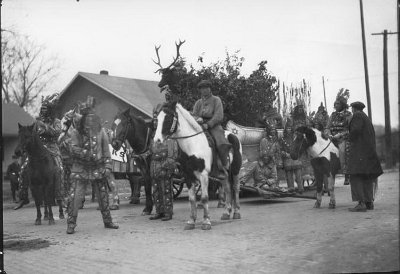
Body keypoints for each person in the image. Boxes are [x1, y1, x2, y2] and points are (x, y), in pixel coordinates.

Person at [66, 103, 119, 234]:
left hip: (98, 168)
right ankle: (71, 224)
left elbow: (106, 151)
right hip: (80, 168)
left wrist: (107, 166)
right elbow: (73, 148)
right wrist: (86, 153)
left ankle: (108, 221)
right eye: (87, 116)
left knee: (103, 196)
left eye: (92, 115)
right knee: (75, 197)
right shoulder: (76, 132)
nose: (90, 118)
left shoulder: (101, 131)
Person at [14, 94, 65, 210]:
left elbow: (57, 132)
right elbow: (32, 136)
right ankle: (23, 197)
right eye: (42, 109)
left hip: (52, 148)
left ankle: (61, 198)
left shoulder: (56, 121)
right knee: (23, 169)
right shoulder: (36, 122)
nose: (43, 111)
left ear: (50, 110)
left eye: (45, 109)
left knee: (60, 169)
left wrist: (46, 127)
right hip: (39, 149)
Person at [347, 101, 383, 212]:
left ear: (354, 108)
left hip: (359, 153)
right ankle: (369, 203)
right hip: (368, 153)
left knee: (355, 176)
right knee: (366, 177)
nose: (351, 110)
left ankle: (361, 204)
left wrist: (347, 137)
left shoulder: (357, 116)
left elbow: (355, 131)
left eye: (351, 108)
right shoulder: (366, 117)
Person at [192, 80, 231, 179]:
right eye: (202, 89)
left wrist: (208, 124)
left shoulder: (216, 100)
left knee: (220, 142)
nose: (204, 90)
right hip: (199, 126)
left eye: (206, 88)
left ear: (210, 89)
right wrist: (197, 119)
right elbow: (194, 115)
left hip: (214, 126)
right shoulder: (198, 103)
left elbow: (219, 115)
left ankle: (222, 166)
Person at [324, 89, 352, 185]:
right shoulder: (332, 115)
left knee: (342, 152)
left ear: (343, 105)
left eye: (338, 104)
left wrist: (339, 135)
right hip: (332, 138)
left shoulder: (348, 115)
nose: (336, 106)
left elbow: (349, 129)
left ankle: (347, 175)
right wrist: (329, 134)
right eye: (335, 104)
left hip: (342, 138)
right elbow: (327, 127)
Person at [149, 138, 179, 221]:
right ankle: (159, 211)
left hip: (164, 169)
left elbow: (172, 156)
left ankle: (168, 212)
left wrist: (164, 166)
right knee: (156, 191)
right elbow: (151, 152)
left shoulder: (170, 139)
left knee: (166, 191)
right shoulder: (154, 138)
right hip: (154, 168)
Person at [279, 121, 304, 193]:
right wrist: (285, 154)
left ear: (292, 129)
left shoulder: (297, 138)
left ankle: (300, 189)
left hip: (295, 158)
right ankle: (291, 189)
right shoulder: (282, 139)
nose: (288, 129)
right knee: (289, 176)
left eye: (290, 128)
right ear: (285, 129)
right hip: (287, 159)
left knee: (298, 176)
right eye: (287, 128)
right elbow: (280, 149)